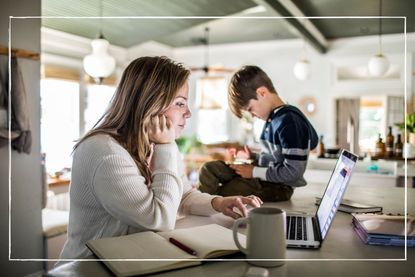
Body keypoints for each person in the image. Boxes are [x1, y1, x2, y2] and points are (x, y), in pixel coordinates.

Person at [59, 57, 262, 260]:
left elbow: (182, 195)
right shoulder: (105, 152)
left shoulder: (154, 143)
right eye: (180, 103)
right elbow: (159, 218)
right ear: (151, 103)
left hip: (130, 258)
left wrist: (218, 203)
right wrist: (166, 147)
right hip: (90, 267)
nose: (188, 113)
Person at [198, 65, 318, 202]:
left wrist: (253, 171)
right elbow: (275, 157)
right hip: (261, 175)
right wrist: (253, 156)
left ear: (262, 93)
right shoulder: (273, 119)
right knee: (208, 170)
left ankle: (209, 210)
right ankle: (205, 205)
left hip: (278, 186)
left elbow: (293, 173)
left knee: (226, 191)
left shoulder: (290, 121)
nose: (253, 116)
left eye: (250, 109)